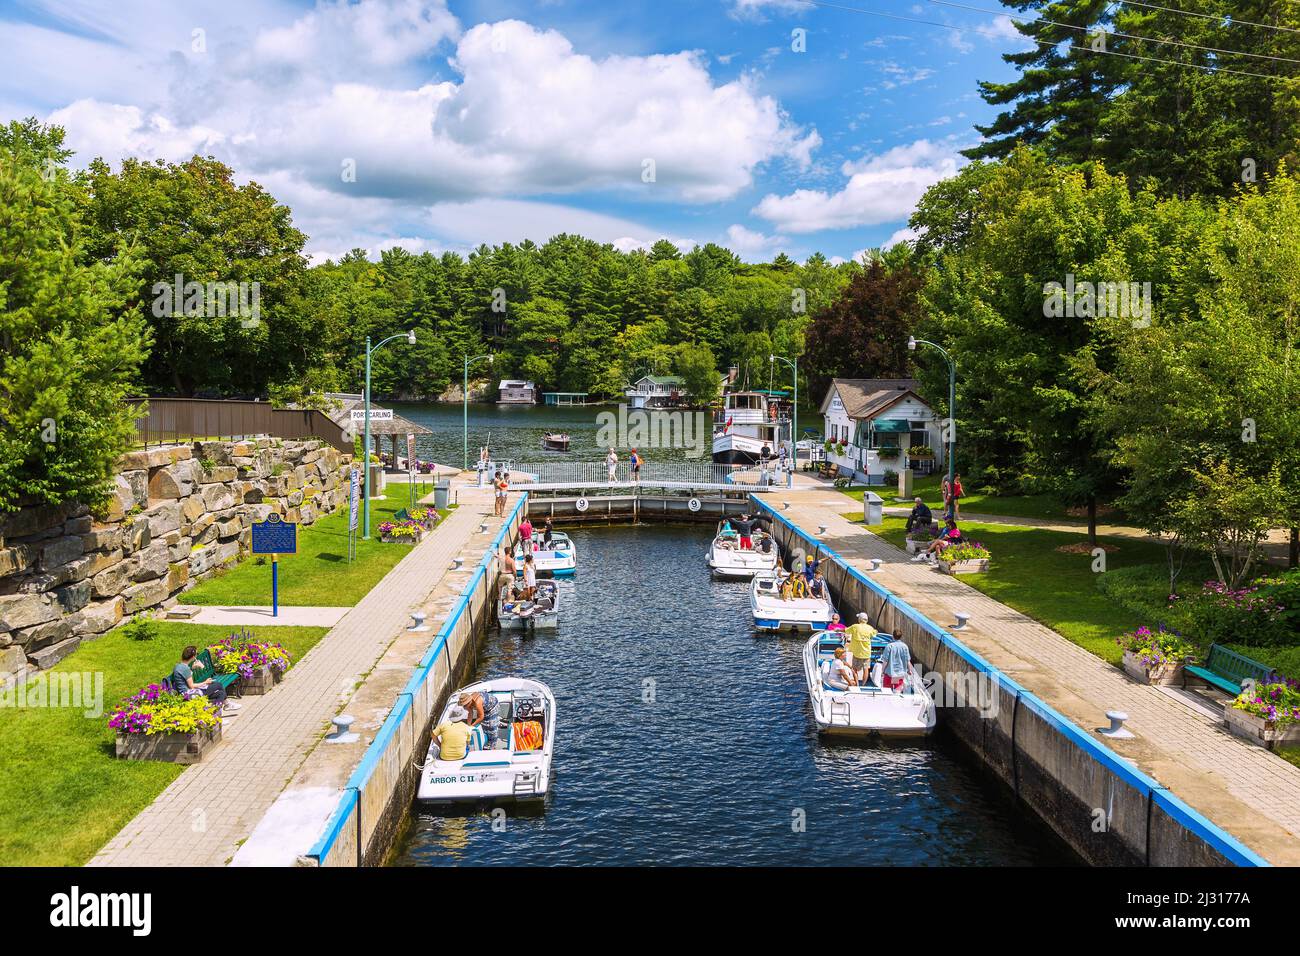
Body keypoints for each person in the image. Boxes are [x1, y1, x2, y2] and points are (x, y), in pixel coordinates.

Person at [171, 646, 239, 715]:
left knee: (221, 693)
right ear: (193, 657)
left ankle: (216, 714)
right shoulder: (185, 669)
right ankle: (225, 706)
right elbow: (191, 686)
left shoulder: (178, 666)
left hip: (186, 692)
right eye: (196, 654)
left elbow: (185, 678)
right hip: (189, 694)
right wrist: (205, 682)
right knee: (218, 685)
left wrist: (192, 668)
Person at [842, 612, 878, 683]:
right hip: (866, 654)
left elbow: (845, 630)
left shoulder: (855, 627)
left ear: (859, 619)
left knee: (854, 669)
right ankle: (863, 684)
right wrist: (875, 631)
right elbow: (874, 634)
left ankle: (857, 684)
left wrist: (837, 629)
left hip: (857, 653)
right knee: (866, 669)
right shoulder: (870, 628)